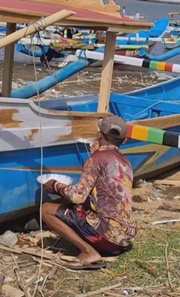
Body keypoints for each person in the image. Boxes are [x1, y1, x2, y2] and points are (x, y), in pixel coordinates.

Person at [40, 115, 137, 269]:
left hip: (108, 236)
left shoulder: (97, 158)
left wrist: (55, 185)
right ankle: (100, 246)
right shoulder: (126, 162)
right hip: (125, 237)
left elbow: (78, 196)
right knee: (78, 205)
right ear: (124, 141)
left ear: (99, 135)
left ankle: (88, 252)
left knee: (46, 210)